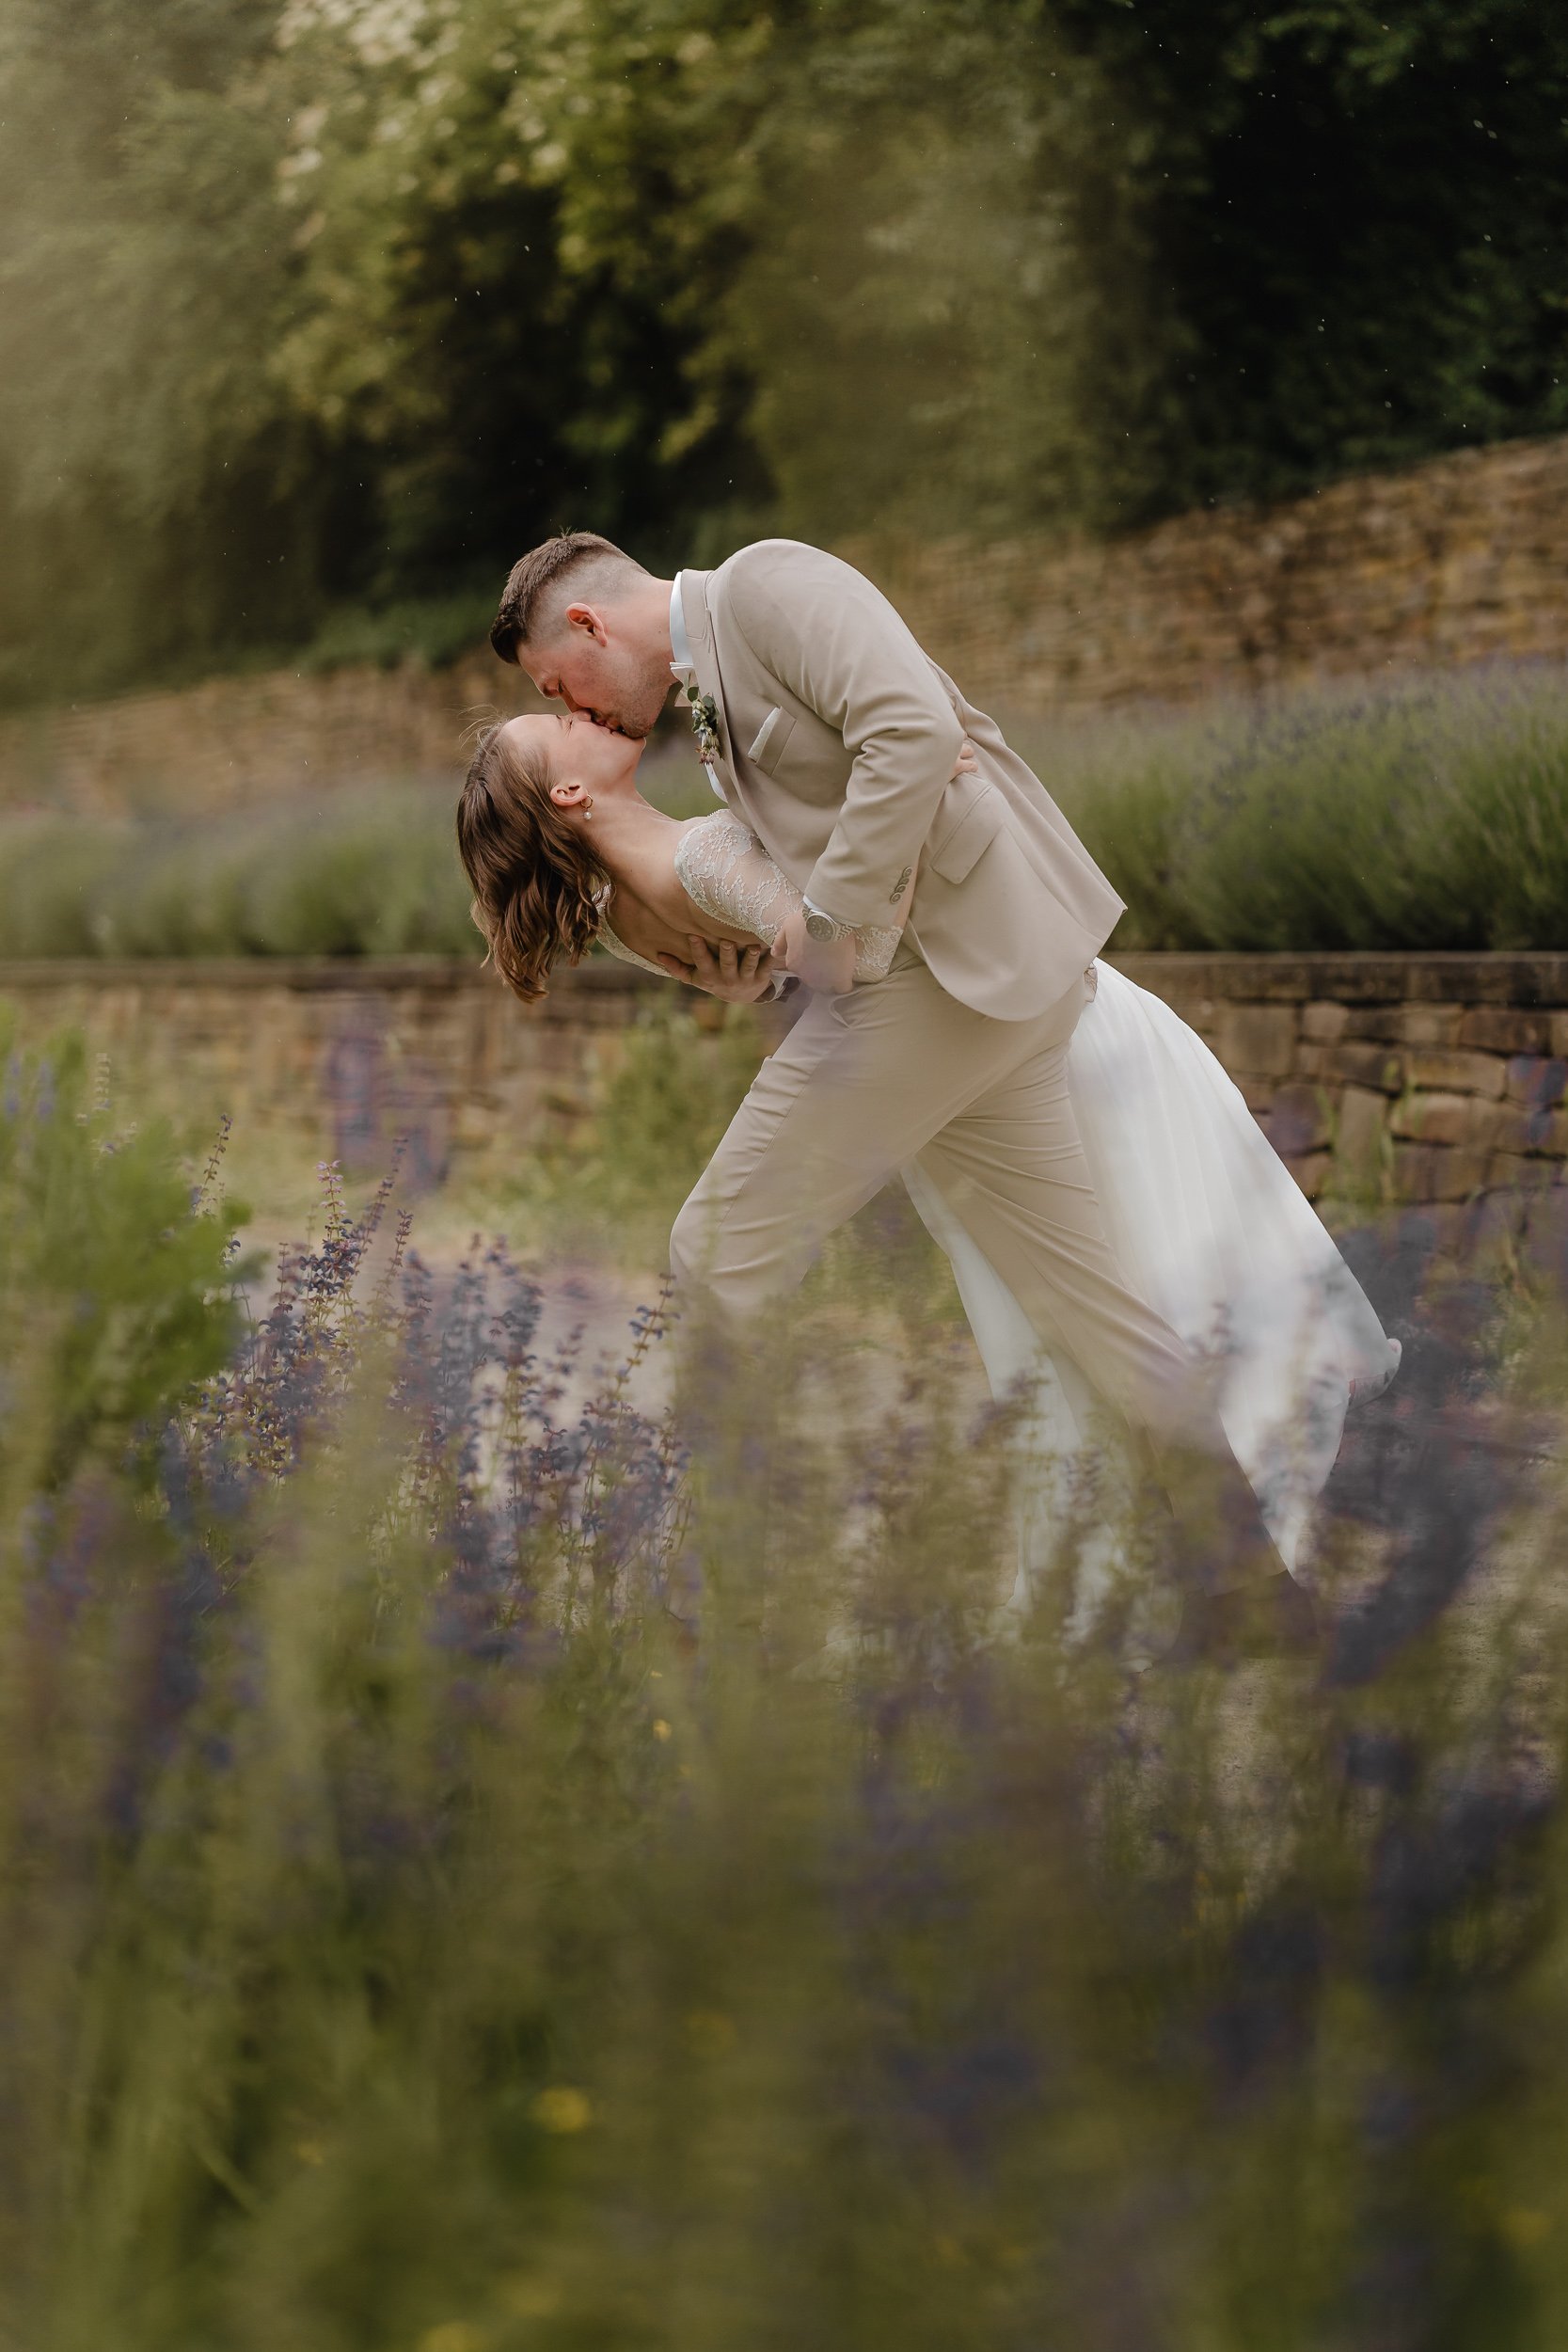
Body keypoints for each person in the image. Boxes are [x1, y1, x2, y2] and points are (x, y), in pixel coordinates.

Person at [457, 541, 1400, 1657]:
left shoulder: (765, 586)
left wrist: (832, 923)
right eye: (555, 713)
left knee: (712, 1251)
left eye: (558, 688)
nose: (576, 708)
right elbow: (855, 796)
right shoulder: (704, 712)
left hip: (937, 985)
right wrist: (770, 942)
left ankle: (724, 1605)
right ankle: (1253, 1599)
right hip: (967, 1000)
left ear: (587, 629)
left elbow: (908, 729)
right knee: (1098, 1316)